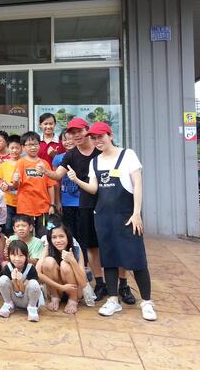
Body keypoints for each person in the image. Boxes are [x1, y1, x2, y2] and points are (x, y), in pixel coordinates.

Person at [68, 122, 156, 321]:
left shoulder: (128, 155)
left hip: (127, 217)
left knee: (137, 260)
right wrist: (76, 180)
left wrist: (136, 213)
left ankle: (147, 302)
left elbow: (138, 185)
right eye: (94, 138)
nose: (97, 141)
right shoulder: (95, 162)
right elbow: (93, 189)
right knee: (109, 259)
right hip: (103, 217)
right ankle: (113, 300)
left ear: (111, 135)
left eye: (101, 136)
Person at [39, 117, 107, 301]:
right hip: (84, 205)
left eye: (79, 131)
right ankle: (100, 283)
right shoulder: (70, 155)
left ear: (87, 130)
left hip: (105, 203)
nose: (76, 136)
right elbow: (57, 175)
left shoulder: (100, 149)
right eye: (72, 133)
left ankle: (119, 284)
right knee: (90, 245)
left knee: (108, 244)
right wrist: (45, 171)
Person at [12, 131, 57, 237]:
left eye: (35, 144)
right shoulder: (21, 163)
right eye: (29, 145)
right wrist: (15, 180)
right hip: (25, 207)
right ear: (23, 147)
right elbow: (15, 186)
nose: (33, 147)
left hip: (43, 207)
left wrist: (52, 205)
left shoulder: (45, 163)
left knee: (44, 236)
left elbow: (50, 185)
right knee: (26, 236)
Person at [37, 222, 87, 314]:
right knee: (48, 261)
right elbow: (38, 273)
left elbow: (83, 283)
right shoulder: (48, 249)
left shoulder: (76, 250)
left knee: (65, 264)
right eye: (54, 237)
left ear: (68, 237)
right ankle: (55, 297)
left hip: (75, 291)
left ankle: (73, 300)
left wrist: (72, 261)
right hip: (57, 289)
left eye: (61, 236)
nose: (58, 240)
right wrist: (61, 287)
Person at [0, 240, 43, 322]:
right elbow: (17, 292)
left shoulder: (30, 268)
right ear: (8, 255)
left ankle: (32, 308)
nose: (17, 259)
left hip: (28, 299)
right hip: (14, 299)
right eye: (13, 255)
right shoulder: (8, 268)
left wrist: (19, 280)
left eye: (21, 255)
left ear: (27, 256)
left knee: (34, 283)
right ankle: (8, 304)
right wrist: (14, 280)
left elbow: (22, 291)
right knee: (2, 279)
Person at [52, 131, 80, 239]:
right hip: (67, 201)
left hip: (83, 201)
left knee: (83, 231)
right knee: (69, 231)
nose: (68, 142)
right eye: (64, 140)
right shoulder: (58, 158)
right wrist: (58, 201)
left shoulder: (84, 156)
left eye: (70, 139)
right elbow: (56, 181)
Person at [0, 134, 22, 237]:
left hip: (22, 202)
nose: (14, 150)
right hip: (7, 201)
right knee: (7, 228)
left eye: (17, 148)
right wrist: (3, 186)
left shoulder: (24, 163)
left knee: (21, 227)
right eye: (12, 148)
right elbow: (0, 182)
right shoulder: (3, 165)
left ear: (22, 148)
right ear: (7, 148)